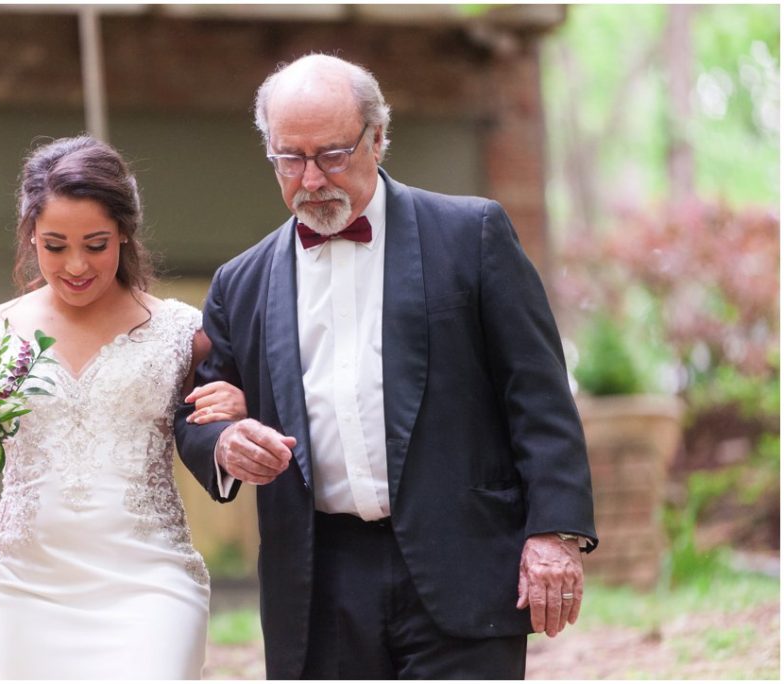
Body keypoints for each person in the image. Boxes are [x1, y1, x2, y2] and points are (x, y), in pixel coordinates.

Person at [174, 54, 598, 679]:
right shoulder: (239, 283)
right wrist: (227, 441)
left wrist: (554, 532)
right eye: (290, 159)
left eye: (332, 154)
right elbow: (199, 413)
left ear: (378, 138)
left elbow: (536, 394)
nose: (311, 178)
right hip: (319, 576)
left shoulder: (472, 234)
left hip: (463, 556)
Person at [0, 136, 246, 679]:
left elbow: (209, 428)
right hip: (27, 590)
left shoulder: (180, 332)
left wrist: (233, 406)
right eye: (54, 245)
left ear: (124, 233)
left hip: (150, 585)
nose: (75, 265)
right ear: (30, 237)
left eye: (96, 244)